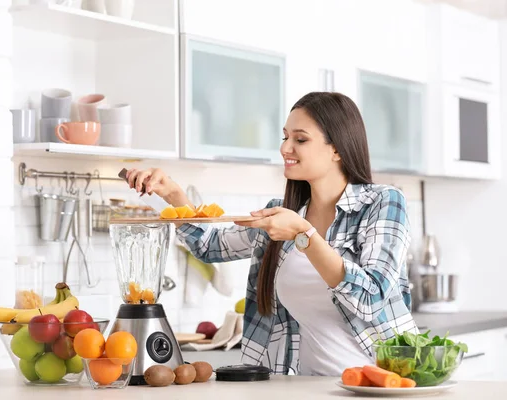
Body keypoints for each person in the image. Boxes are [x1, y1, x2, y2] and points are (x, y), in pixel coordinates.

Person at [124, 92, 418, 376]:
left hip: (380, 384)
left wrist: (304, 235)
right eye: (285, 137)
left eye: (300, 139)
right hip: (306, 386)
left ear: (337, 149)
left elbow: (372, 298)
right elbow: (209, 246)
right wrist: (174, 194)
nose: (285, 148)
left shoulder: (382, 202)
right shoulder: (284, 213)